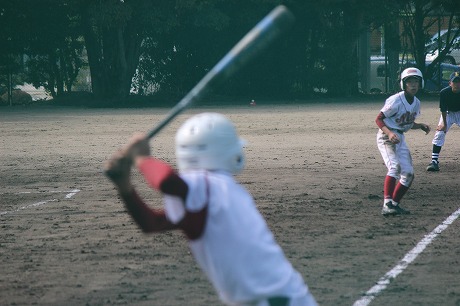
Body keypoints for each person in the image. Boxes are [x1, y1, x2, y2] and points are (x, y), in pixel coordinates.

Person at [104, 112, 317, 306]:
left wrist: (140, 158)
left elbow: (167, 181)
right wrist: (125, 186)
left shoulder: (212, 188)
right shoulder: (213, 188)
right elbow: (152, 224)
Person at [375, 67, 431, 216]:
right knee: (395, 167)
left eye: (416, 82)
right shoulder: (395, 100)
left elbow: (406, 122)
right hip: (386, 136)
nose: (413, 85)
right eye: (410, 82)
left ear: (421, 84)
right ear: (404, 84)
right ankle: (386, 204)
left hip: (399, 138)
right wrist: (389, 132)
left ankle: (394, 204)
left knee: (408, 173)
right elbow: (379, 119)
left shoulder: (416, 102)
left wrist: (419, 126)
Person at [426, 71, 460, 172]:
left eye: (459, 82)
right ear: (450, 83)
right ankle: (434, 162)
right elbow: (443, 110)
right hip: (448, 114)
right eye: (455, 82)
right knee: (440, 133)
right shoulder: (444, 92)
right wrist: (444, 125)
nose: (457, 84)